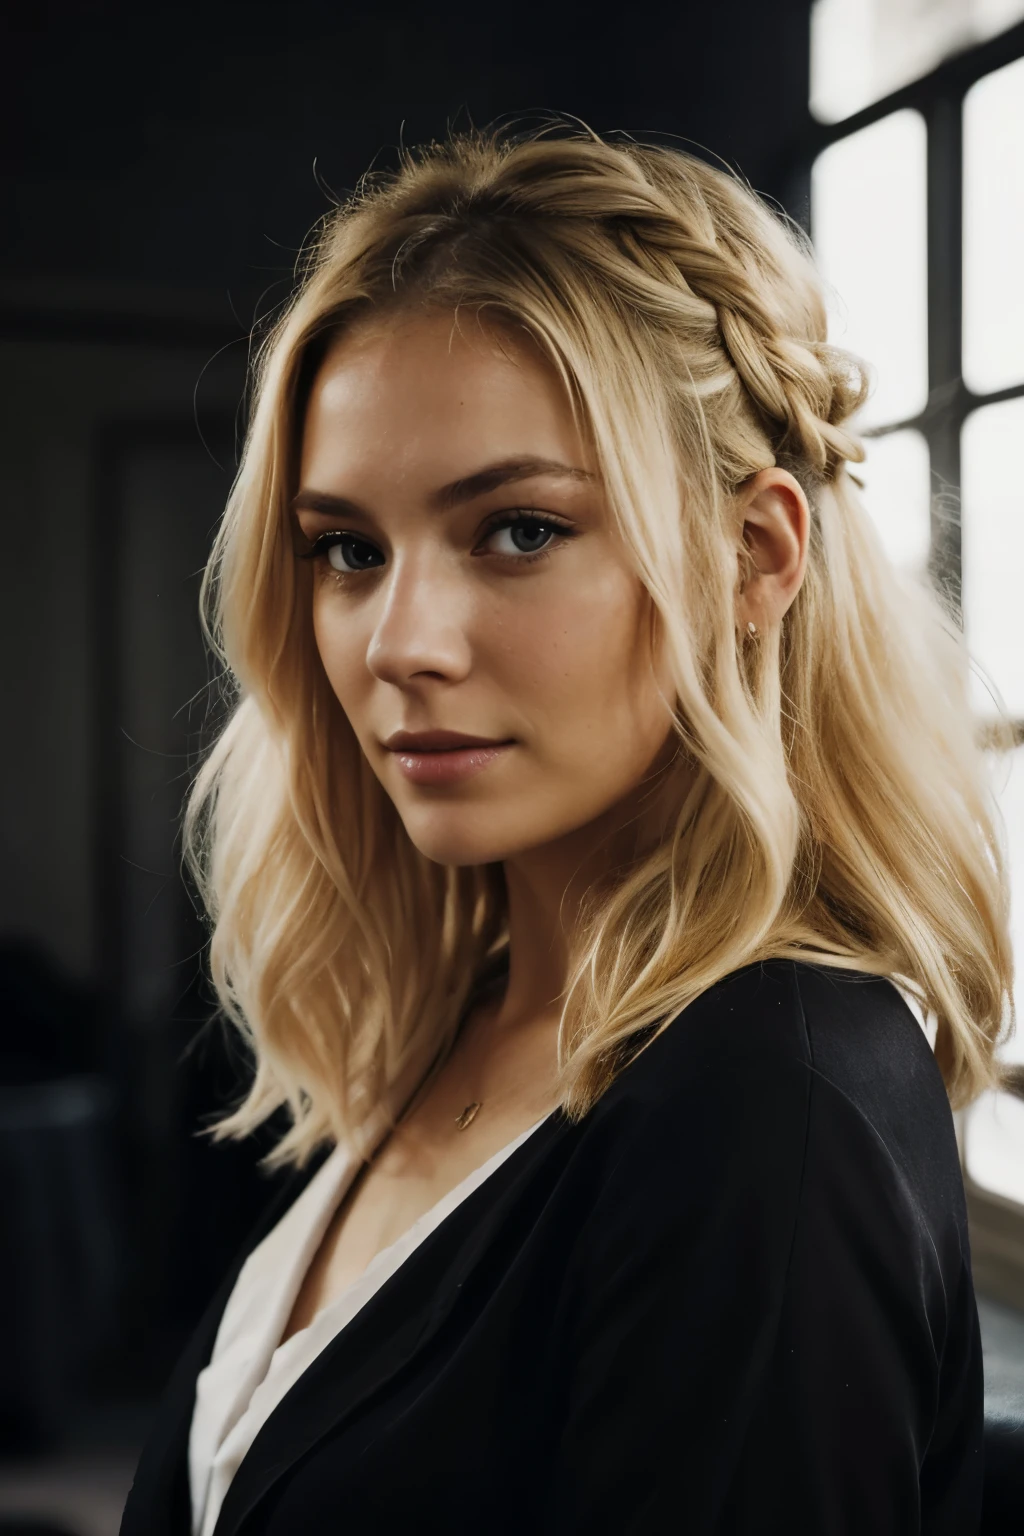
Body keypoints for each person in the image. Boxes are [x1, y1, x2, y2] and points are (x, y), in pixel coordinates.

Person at [120, 126, 1015, 1535]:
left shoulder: (766, 1111)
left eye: (518, 531)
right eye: (349, 549)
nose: (399, 642)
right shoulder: (464, 1016)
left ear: (754, 557)